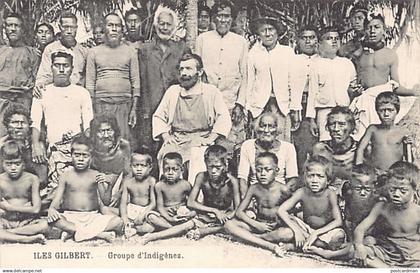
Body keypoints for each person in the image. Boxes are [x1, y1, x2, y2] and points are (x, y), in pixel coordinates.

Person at [152, 53, 231, 184]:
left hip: (201, 139)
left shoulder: (211, 92)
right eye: (181, 69)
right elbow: (159, 116)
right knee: (167, 155)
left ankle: (194, 199)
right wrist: (166, 137)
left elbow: (224, 118)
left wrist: (210, 138)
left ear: (200, 72)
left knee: (199, 158)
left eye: (188, 69)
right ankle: (171, 198)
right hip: (177, 139)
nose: (184, 73)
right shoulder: (173, 91)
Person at [31, 51, 93, 200]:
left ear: (71, 69)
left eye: (65, 66)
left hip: (76, 149)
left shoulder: (81, 93)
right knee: (57, 190)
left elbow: (88, 124)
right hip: (54, 149)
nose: (61, 69)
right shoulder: (43, 92)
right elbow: (35, 121)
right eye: (57, 65)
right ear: (51, 67)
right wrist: (36, 144)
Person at [350, 15, 419, 140]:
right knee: (360, 138)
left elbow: (395, 86)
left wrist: (413, 91)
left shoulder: (390, 54)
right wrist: (353, 91)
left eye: (376, 27)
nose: (372, 31)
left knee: (380, 138)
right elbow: (352, 83)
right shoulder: (358, 54)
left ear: (384, 31)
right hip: (363, 102)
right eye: (369, 28)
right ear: (364, 31)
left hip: (382, 102)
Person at [47, 135, 123, 242]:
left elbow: (105, 201)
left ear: (91, 157)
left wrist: (109, 184)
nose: (81, 159)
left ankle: (75, 232)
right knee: (56, 221)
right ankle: (98, 234)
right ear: (71, 155)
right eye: (77, 155)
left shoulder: (95, 174)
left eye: (85, 156)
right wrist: (51, 209)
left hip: (92, 217)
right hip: (71, 216)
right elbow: (57, 199)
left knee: (118, 222)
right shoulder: (66, 175)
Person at [196, 0, 248, 154]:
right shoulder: (203, 39)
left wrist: (240, 104)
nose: (223, 20)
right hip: (207, 103)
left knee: (229, 146)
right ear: (214, 18)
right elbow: (198, 72)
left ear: (232, 19)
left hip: (230, 102)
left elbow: (245, 75)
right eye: (219, 16)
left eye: (227, 16)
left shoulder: (240, 42)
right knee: (206, 145)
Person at [138, 7, 190, 153]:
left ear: (173, 27)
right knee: (150, 147)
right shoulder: (145, 50)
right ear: (156, 26)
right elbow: (141, 81)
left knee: (174, 148)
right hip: (151, 106)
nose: (165, 28)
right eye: (162, 24)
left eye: (168, 24)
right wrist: (144, 109)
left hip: (175, 107)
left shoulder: (181, 49)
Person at [224, 152, 293, 256]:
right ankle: (269, 245)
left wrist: (280, 222)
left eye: (267, 169)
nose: (263, 174)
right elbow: (239, 212)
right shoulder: (254, 188)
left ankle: (252, 238)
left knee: (288, 233)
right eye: (259, 170)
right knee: (229, 225)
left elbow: (293, 210)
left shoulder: (283, 189)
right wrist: (256, 224)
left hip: (275, 228)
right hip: (257, 224)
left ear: (276, 171)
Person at [353, 161, 420, 268]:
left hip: (412, 256)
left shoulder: (417, 212)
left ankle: (387, 269)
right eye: (392, 189)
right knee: (354, 251)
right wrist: (359, 246)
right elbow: (360, 229)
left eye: (403, 190)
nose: (396, 194)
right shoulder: (381, 207)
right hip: (387, 251)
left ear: (414, 189)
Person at [86, 13, 140, 143]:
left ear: (122, 29)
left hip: (124, 105)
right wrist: (92, 111)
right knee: (102, 141)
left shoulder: (130, 51)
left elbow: (136, 82)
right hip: (101, 105)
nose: (114, 29)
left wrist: (133, 110)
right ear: (104, 28)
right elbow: (89, 84)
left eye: (117, 26)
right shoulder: (94, 52)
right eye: (110, 25)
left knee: (123, 142)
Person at [307, 164, 379, 259]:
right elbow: (343, 221)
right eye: (357, 188)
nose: (362, 193)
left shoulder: (378, 202)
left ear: (374, 187)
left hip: (364, 240)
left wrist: (354, 243)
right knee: (336, 240)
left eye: (367, 189)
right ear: (350, 186)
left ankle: (329, 254)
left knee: (369, 242)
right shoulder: (343, 197)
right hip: (346, 237)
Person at [277, 156, 346, 256]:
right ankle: (311, 245)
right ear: (305, 178)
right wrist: (297, 231)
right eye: (311, 176)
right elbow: (281, 210)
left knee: (338, 237)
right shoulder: (301, 192)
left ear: (328, 181)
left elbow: (338, 221)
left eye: (320, 176)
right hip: (306, 229)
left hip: (325, 231)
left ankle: (296, 246)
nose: (314, 180)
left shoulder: (330, 194)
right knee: (286, 223)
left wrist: (316, 233)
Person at [246, 16, 295, 142]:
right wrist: (248, 107)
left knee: (281, 140)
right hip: (259, 106)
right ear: (258, 34)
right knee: (260, 140)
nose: (268, 34)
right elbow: (250, 81)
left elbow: (293, 81)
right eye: (263, 30)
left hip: (281, 106)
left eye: (271, 29)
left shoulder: (287, 52)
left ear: (277, 32)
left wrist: (293, 105)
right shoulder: (253, 54)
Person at [306, 27, 357, 141]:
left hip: (344, 109)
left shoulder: (347, 63)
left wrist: (354, 93)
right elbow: (312, 92)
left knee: (344, 140)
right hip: (324, 110)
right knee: (326, 142)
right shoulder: (316, 64)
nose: (334, 41)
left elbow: (353, 87)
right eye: (329, 38)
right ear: (320, 43)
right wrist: (311, 119)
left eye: (336, 38)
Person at [238, 112, 298, 198]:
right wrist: (248, 201)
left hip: (279, 196)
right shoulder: (247, 146)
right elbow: (242, 178)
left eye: (271, 126)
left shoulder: (288, 148)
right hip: (255, 195)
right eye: (263, 126)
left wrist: (278, 198)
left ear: (277, 129)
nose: (266, 131)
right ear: (257, 128)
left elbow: (292, 180)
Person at [141, 152, 196, 244]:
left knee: (194, 217)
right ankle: (175, 230)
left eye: (175, 169)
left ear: (181, 169)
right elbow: (160, 207)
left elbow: (192, 203)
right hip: (166, 217)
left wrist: (190, 214)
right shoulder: (159, 186)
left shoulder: (186, 185)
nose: (170, 173)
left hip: (181, 216)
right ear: (162, 169)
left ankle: (173, 229)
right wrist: (170, 218)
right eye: (167, 169)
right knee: (151, 217)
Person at [186, 145, 240, 239]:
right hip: (206, 213)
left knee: (236, 223)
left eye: (218, 167)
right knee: (187, 222)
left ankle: (210, 230)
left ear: (225, 165)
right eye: (210, 167)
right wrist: (214, 211)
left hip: (225, 216)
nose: (213, 171)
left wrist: (226, 216)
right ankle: (154, 236)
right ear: (205, 163)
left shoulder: (232, 181)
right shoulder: (201, 177)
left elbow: (238, 208)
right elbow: (190, 202)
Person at [0, 141, 48, 243]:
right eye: (8, 164)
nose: (13, 168)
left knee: (45, 225)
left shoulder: (32, 179)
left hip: (26, 220)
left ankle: (9, 234)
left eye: (17, 164)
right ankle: (26, 238)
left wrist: (10, 208)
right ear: (2, 163)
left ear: (24, 163)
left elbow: (36, 209)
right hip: (5, 220)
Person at [0, 13, 39, 135]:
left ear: (22, 30)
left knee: (20, 139)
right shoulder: (1, 51)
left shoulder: (32, 53)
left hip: (22, 101)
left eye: (16, 26)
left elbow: (37, 78)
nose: (12, 28)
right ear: (4, 29)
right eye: (9, 25)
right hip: (1, 100)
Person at [356, 92, 412, 173]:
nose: (386, 114)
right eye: (382, 110)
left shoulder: (403, 131)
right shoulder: (372, 129)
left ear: (397, 111)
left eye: (390, 110)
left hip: (394, 174)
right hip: (376, 173)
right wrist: (359, 169)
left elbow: (409, 158)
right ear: (377, 111)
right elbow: (360, 149)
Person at [289, 25, 320, 172]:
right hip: (297, 106)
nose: (308, 41)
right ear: (298, 41)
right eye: (304, 38)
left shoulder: (322, 60)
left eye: (311, 37)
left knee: (316, 146)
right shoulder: (292, 60)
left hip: (317, 106)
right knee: (299, 148)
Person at [35, 11, 88, 90]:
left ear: (76, 28)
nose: (69, 31)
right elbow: (44, 75)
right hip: (55, 93)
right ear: (60, 27)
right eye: (66, 27)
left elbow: (88, 78)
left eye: (72, 27)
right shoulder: (50, 49)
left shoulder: (84, 52)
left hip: (76, 94)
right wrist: (40, 85)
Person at [90, 114, 131, 211]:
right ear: (95, 134)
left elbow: (128, 173)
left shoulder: (123, 146)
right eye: (101, 131)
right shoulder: (91, 147)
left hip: (118, 185)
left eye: (109, 130)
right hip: (98, 185)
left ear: (115, 131)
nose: (106, 135)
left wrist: (118, 193)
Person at [311, 106, 359, 191]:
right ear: (327, 127)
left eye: (342, 124)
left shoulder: (360, 150)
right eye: (332, 124)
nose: (336, 129)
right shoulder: (321, 149)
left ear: (352, 127)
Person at [0, 104, 47, 188]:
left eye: (23, 123)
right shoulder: (2, 146)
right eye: (14, 122)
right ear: (7, 125)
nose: (19, 126)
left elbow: (42, 179)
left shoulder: (35, 148)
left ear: (29, 126)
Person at [120, 148, 156, 237]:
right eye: (135, 165)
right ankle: (128, 225)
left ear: (150, 167)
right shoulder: (128, 182)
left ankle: (134, 229)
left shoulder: (151, 181)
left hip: (145, 211)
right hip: (131, 210)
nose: (139, 169)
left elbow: (153, 203)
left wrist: (142, 215)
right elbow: (123, 203)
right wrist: (124, 218)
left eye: (143, 166)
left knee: (151, 226)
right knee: (106, 210)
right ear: (130, 166)